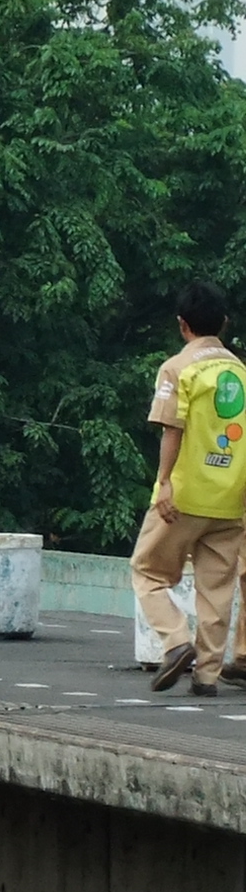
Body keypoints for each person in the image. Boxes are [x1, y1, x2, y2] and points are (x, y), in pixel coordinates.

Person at [130, 282, 246, 695]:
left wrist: (163, 484)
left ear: (183, 326)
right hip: (231, 498)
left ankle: (176, 641)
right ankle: (207, 676)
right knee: (217, 588)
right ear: (225, 323)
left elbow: (171, 430)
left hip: (184, 495)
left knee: (147, 571)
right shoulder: (240, 372)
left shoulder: (178, 369)